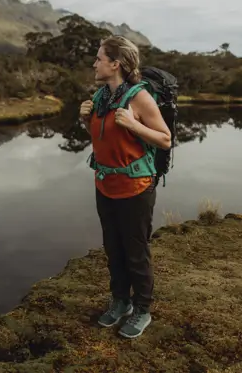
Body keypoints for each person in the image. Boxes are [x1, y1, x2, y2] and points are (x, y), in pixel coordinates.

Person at [79, 35, 171, 339]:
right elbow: (103, 137)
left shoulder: (140, 97)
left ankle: (142, 309)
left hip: (136, 188)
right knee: (113, 248)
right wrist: (84, 120)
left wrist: (134, 124)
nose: (94, 63)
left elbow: (165, 139)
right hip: (105, 185)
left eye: (99, 58)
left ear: (115, 63)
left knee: (136, 251)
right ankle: (121, 302)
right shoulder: (101, 95)